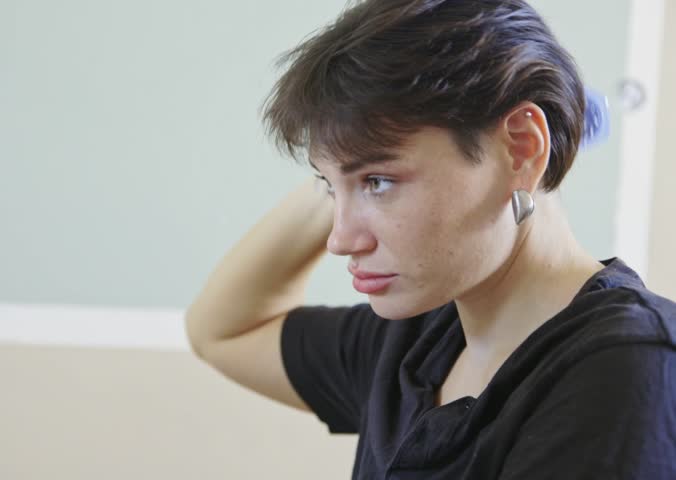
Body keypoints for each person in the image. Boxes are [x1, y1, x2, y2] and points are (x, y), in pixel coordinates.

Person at [185, 0, 676, 478]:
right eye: (328, 187)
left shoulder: (628, 368)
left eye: (379, 181)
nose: (340, 240)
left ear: (522, 148)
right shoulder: (415, 340)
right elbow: (222, 330)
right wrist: (348, 157)